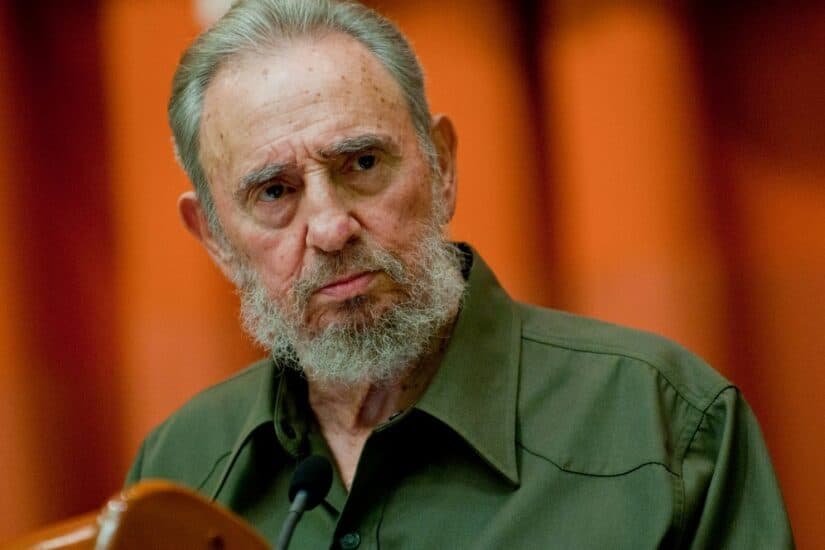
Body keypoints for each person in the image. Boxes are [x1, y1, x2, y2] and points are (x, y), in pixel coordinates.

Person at [125, 0, 794, 547]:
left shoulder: (661, 422)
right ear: (214, 238)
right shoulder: (178, 472)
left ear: (441, 167)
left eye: (361, 164)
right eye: (273, 191)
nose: (330, 229)